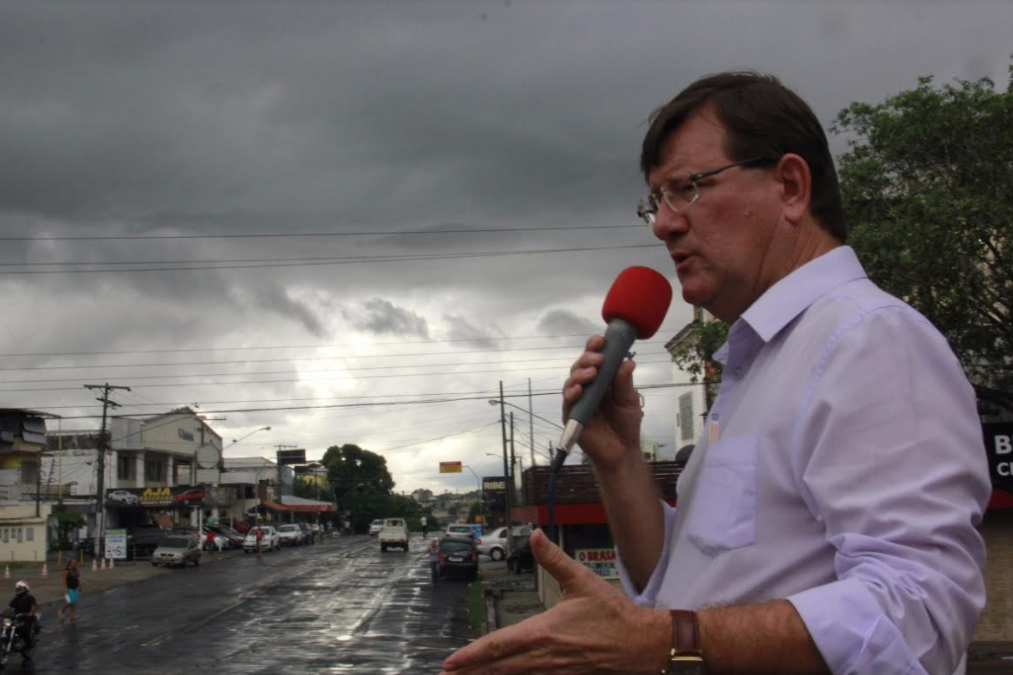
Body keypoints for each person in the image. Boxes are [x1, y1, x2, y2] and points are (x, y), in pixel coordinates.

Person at [441, 72, 990, 675]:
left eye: (688, 189)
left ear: (789, 186)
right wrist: (620, 460)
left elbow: (921, 617)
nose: (663, 224)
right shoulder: (757, 362)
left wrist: (659, 643)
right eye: (656, 201)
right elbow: (677, 582)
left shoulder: (869, 340)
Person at [5, 581, 38, 658]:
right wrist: (2, 613)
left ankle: (29, 646)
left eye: (20, 589)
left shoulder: (30, 598)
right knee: (7, 627)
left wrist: (30, 613)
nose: (18, 590)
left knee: (25, 631)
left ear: (25, 589)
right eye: (17, 589)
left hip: (27, 618)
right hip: (17, 618)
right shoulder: (16, 599)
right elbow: (9, 607)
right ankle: (11, 641)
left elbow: (33, 607)